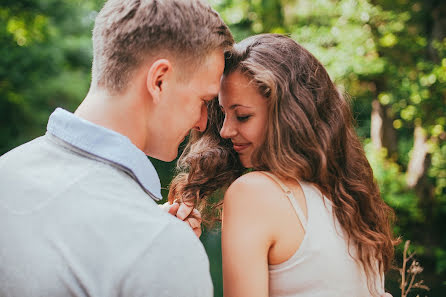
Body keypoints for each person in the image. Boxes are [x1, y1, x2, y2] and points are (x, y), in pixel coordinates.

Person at [0, 0, 233, 296]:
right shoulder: (161, 249)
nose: (202, 122)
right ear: (159, 80)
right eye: (203, 100)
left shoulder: (6, 172)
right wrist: (162, 247)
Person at [168, 34, 398, 297]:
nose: (225, 130)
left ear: (288, 115)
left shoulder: (252, 193)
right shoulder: (349, 197)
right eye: (224, 114)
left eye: (242, 116)